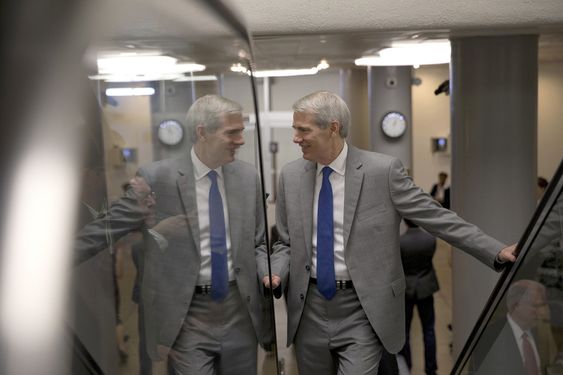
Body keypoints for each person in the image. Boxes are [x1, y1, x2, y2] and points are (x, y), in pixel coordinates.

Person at [263, 91, 517, 374]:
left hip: (362, 308)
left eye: (303, 129)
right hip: (307, 309)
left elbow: (437, 217)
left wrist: (495, 249)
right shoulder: (290, 176)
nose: (295, 137)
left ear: (333, 127)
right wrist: (276, 271)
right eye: (295, 129)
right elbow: (284, 243)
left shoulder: (382, 172)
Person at [75, 95, 268, 375]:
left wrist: (268, 275)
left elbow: (259, 242)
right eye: (232, 132)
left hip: (240, 312)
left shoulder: (248, 177)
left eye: (241, 131)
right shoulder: (156, 177)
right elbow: (111, 225)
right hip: (187, 313)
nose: (241, 140)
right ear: (202, 132)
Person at [473, 279, 558, 374]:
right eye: (536, 306)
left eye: (542, 306)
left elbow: (552, 361)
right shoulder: (489, 337)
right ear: (516, 305)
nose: (542, 313)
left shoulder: (542, 331)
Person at [398, 219, 439, 375]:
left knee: (405, 331)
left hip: (407, 289)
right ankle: (431, 368)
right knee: (429, 330)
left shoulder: (401, 243)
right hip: (426, 288)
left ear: (406, 222)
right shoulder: (430, 239)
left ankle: (406, 366)